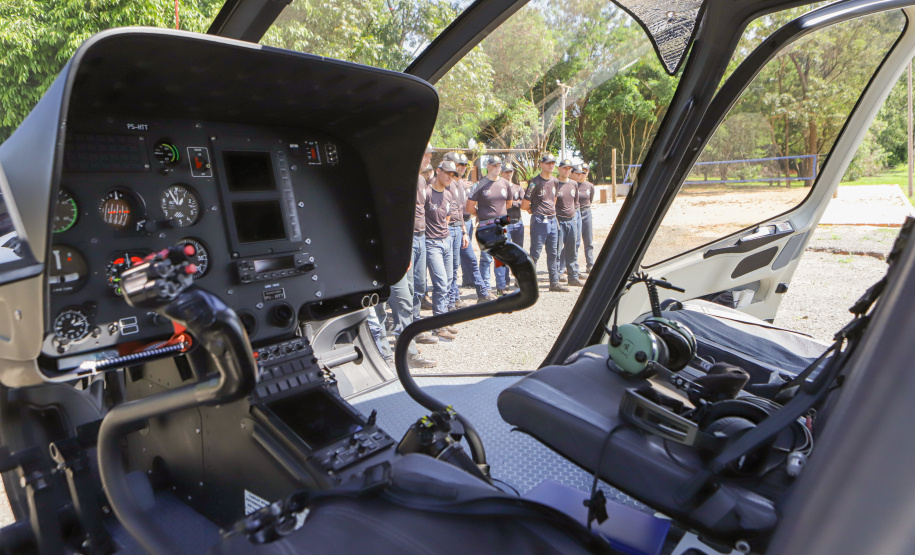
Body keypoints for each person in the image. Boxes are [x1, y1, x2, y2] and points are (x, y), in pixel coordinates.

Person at [425, 161, 461, 340]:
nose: (450, 177)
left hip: (446, 240)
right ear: (438, 171)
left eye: (453, 175)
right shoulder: (426, 192)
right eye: (447, 173)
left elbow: (446, 217)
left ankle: (444, 320)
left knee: (448, 281)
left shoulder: (449, 193)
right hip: (431, 244)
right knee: (440, 283)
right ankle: (438, 326)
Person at [521, 153, 568, 292]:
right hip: (540, 220)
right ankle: (528, 283)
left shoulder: (555, 181)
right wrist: (534, 210)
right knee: (535, 253)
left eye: (553, 163)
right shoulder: (535, 182)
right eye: (548, 163)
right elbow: (524, 205)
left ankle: (554, 283)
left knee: (553, 252)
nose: (551, 165)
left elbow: (553, 200)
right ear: (541, 165)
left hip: (553, 220)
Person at [467, 155, 512, 297]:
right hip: (486, 224)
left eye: (499, 165)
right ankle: (486, 288)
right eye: (494, 165)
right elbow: (469, 207)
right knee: (486, 257)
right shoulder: (479, 184)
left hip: (502, 224)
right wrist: (483, 216)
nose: (497, 168)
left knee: (501, 257)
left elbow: (509, 203)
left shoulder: (505, 183)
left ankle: (501, 286)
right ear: (488, 166)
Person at [449, 152, 491, 303]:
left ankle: (482, 292)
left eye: (463, 166)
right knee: (453, 266)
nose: (461, 168)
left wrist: (464, 231)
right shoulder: (445, 183)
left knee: (471, 260)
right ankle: (454, 299)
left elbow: (461, 209)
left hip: (461, 227)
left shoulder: (460, 183)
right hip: (448, 229)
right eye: (458, 165)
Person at [554, 159, 583, 287]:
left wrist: (575, 219)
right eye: (564, 168)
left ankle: (573, 276)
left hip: (572, 220)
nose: (566, 171)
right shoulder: (554, 183)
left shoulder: (574, 184)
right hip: (559, 220)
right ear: (559, 169)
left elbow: (576, 203)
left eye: (569, 168)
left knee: (572, 250)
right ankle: (557, 275)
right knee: (557, 250)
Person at [575, 163, 596, 274]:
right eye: (581, 170)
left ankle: (590, 264)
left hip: (586, 212)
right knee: (575, 241)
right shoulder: (574, 184)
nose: (583, 173)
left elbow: (590, 199)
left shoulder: (590, 186)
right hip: (576, 213)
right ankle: (573, 266)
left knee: (588, 240)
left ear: (588, 172)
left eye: (586, 171)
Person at [503, 162, 525, 251]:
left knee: (519, 250)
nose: (509, 174)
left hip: (518, 222)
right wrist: (515, 202)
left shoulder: (518, 188)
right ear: (501, 173)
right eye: (506, 172)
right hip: (505, 223)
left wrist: (511, 203)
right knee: (506, 250)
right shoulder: (499, 188)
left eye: (510, 171)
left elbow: (523, 202)